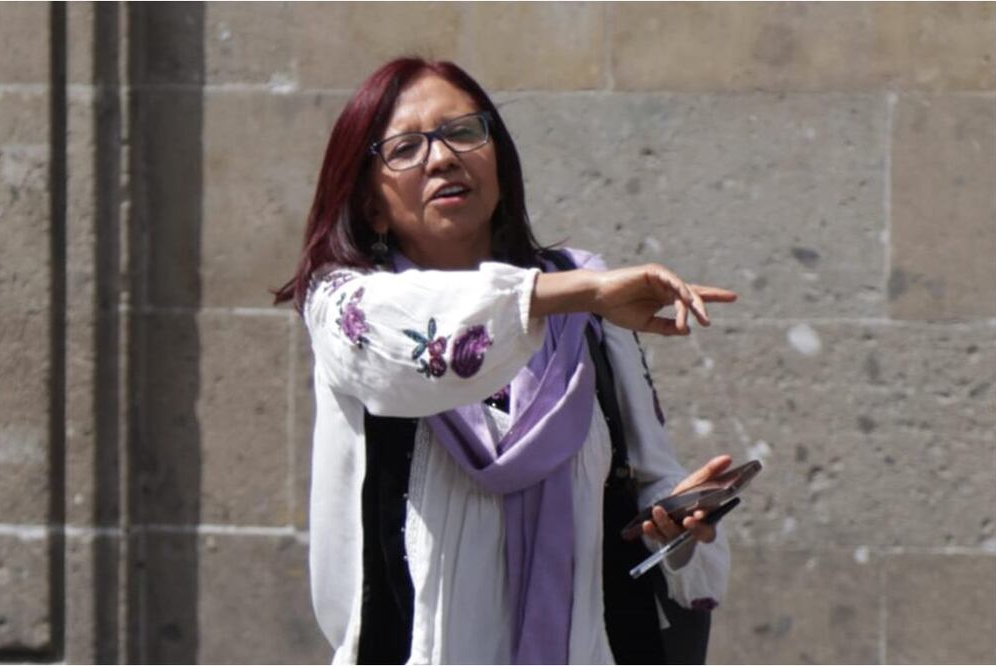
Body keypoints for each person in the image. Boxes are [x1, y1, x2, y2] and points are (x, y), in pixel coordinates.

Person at [274, 57, 738, 665]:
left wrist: (679, 529)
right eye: (406, 148)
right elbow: (411, 337)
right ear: (372, 206)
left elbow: (650, 480)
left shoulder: (589, 299)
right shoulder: (344, 304)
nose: (442, 158)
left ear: (499, 162)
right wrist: (580, 295)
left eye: (463, 132)